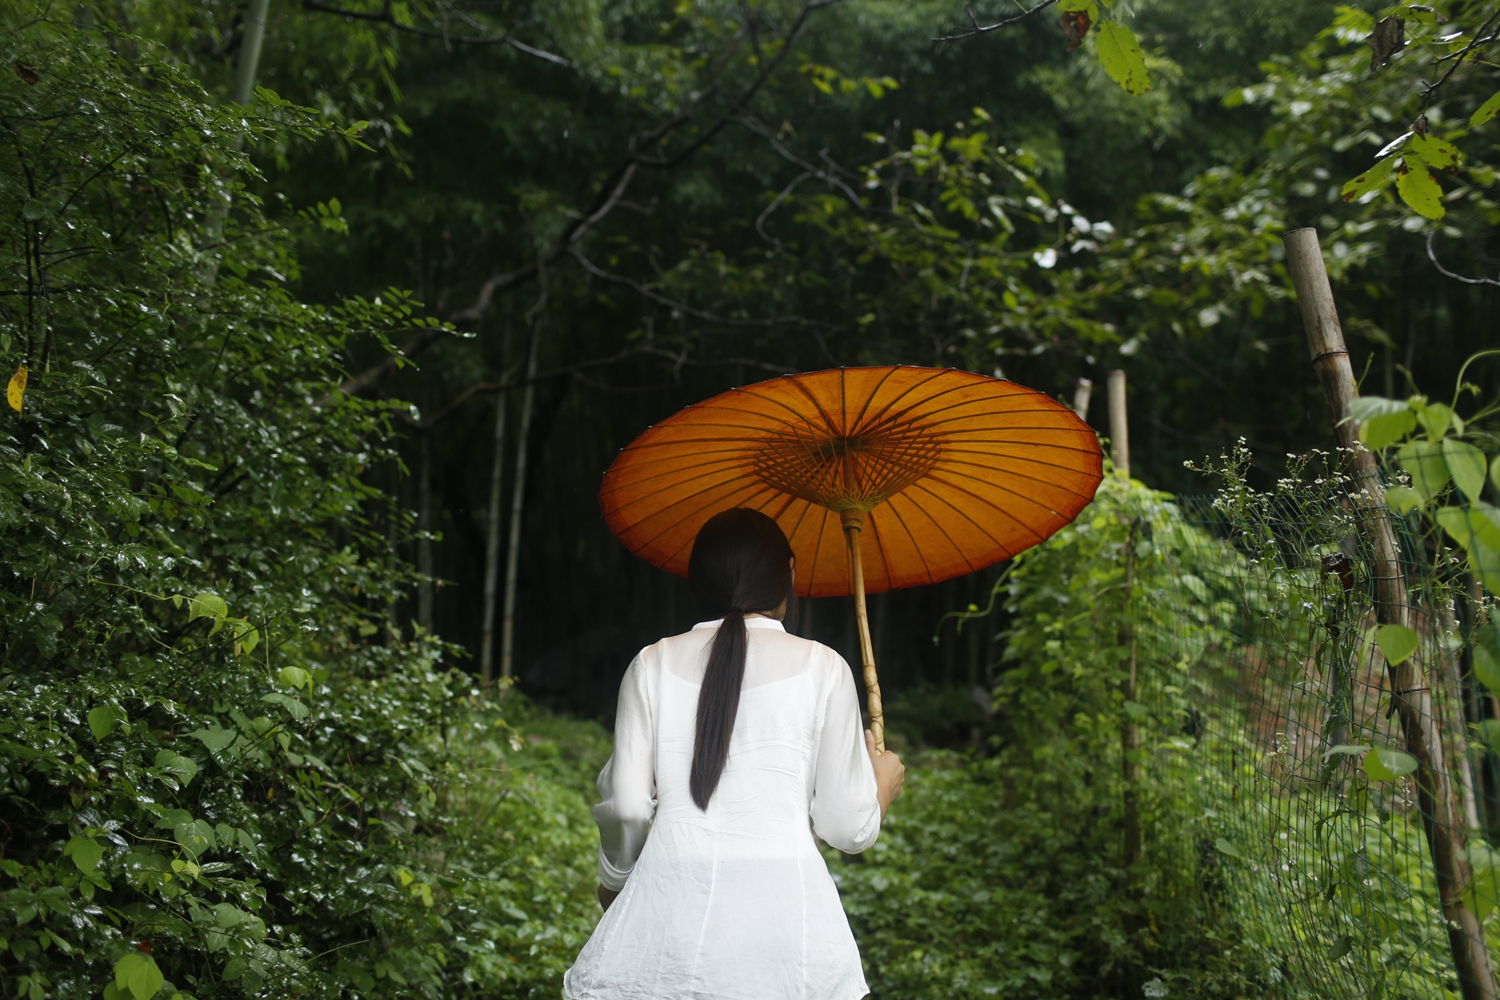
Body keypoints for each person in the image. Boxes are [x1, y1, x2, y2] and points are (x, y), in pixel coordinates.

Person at [563, 507, 905, 1000]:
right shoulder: (825, 668)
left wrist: (616, 882)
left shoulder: (651, 664)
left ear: (698, 579)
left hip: (666, 928)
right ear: (789, 572)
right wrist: (882, 785)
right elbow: (846, 827)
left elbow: (629, 808)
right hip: (789, 937)